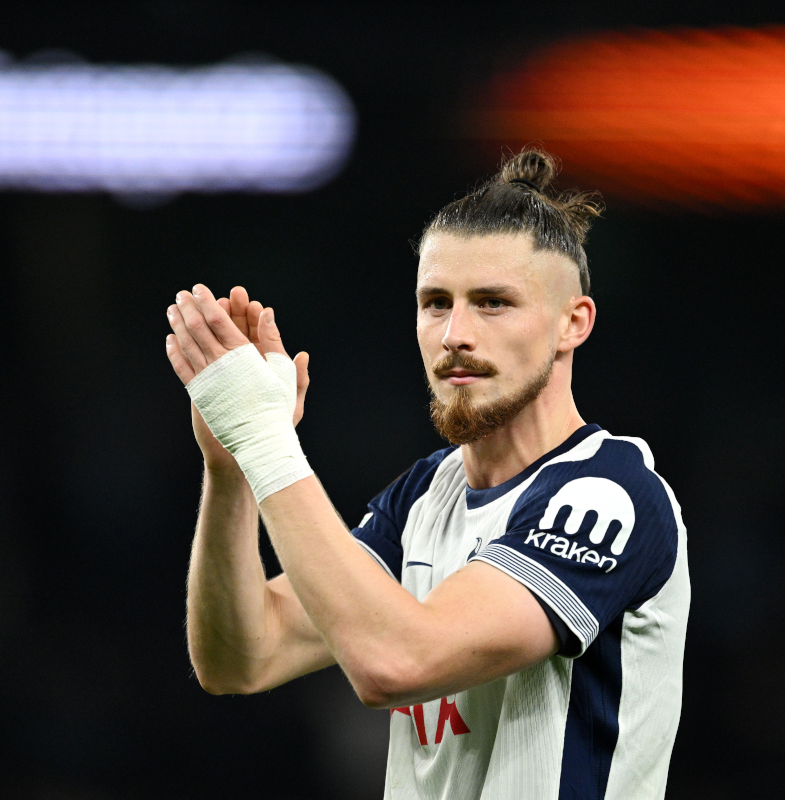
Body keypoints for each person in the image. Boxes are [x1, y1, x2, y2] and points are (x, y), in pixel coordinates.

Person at [165, 148, 690, 800]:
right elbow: (243, 657)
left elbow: (396, 662)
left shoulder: (608, 495)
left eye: (493, 303)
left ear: (571, 324)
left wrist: (265, 439)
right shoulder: (422, 498)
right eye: (436, 303)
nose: (454, 334)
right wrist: (233, 467)